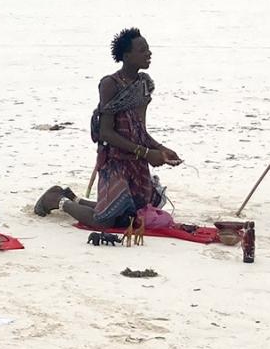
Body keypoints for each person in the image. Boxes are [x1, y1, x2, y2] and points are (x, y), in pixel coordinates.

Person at [61, 29, 182, 228]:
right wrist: (146, 153)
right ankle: (58, 200)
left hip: (137, 163)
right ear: (126, 56)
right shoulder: (110, 84)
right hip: (115, 162)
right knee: (104, 222)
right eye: (142, 50)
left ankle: (74, 198)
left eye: (148, 49)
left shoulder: (144, 83)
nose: (149, 53)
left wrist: (161, 149)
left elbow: (140, 131)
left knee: (130, 216)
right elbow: (106, 132)